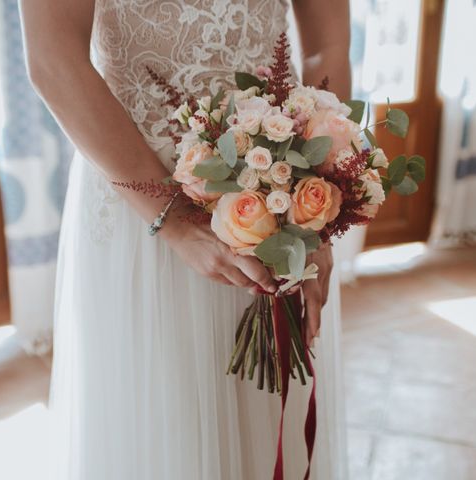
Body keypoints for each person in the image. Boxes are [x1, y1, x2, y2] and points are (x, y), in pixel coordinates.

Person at [20, 1, 350, 478]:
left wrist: (316, 209)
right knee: (164, 425)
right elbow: (53, 59)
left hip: (279, 193)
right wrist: (172, 220)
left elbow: (326, 47)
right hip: (139, 209)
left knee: (265, 421)